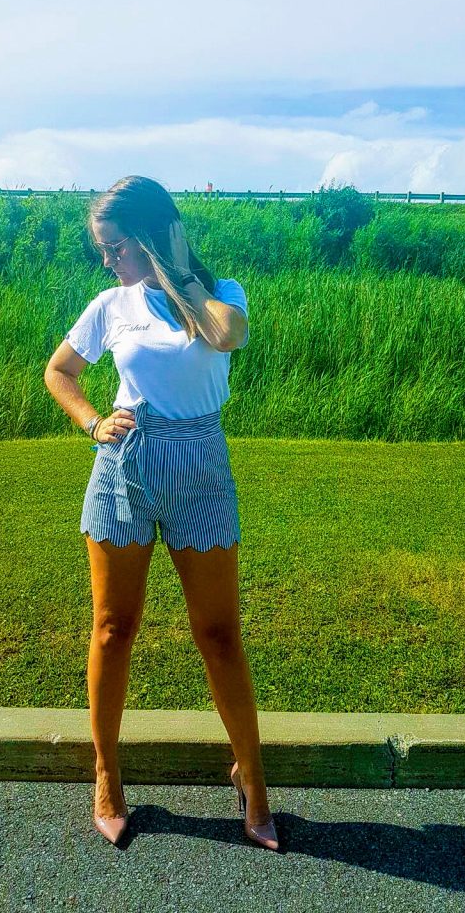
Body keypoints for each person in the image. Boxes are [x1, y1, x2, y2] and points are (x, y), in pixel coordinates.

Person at [43, 175, 278, 851]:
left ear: (149, 236)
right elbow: (60, 372)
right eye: (102, 249)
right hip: (124, 469)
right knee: (114, 628)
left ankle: (253, 779)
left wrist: (179, 274)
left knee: (219, 634)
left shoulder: (221, 295)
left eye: (114, 246)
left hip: (200, 470)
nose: (107, 260)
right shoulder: (110, 304)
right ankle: (107, 775)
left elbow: (228, 336)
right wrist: (91, 422)